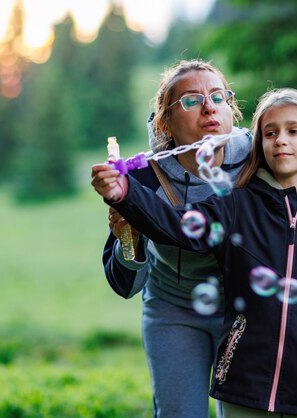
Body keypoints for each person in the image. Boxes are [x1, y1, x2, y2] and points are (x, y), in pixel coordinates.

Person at [91, 88, 297, 417]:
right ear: (260, 145)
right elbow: (178, 225)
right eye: (270, 133)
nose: (280, 140)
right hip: (243, 385)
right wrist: (124, 192)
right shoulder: (237, 205)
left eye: (294, 131)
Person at [101, 59, 252, 418]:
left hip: (247, 310)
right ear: (164, 122)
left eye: (218, 97)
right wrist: (130, 235)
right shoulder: (142, 180)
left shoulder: (257, 161)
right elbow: (124, 284)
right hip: (175, 310)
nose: (209, 107)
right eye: (190, 100)